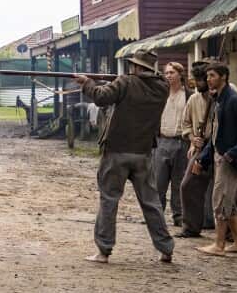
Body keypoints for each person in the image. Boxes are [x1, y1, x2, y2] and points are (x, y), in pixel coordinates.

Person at [73, 49, 174, 264]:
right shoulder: (163, 87)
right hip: (144, 152)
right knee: (151, 203)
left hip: (117, 151)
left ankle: (103, 250)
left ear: (137, 67)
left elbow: (101, 98)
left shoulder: (126, 82)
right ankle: (166, 249)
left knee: (109, 200)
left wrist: (87, 83)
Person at [194, 62, 237, 257]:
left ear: (223, 76)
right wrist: (204, 158)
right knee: (228, 200)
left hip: (228, 158)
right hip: (220, 154)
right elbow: (215, 135)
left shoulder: (234, 100)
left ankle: (219, 243)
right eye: (207, 76)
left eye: (212, 75)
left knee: (221, 199)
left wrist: (235, 152)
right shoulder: (220, 100)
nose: (208, 79)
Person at [176, 62, 214, 238]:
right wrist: (193, 138)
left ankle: (232, 232)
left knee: (227, 191)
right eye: (197, 79)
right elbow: (185, 124)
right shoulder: (193, 99)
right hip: (201, 146)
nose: (197, 83)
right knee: (187, 185)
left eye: (201, 79)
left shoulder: (222, 97)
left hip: (220, 147)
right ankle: (191, 226)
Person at [152, 62, 189, 226]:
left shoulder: (188, 95)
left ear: (180, 74)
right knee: (158, 181)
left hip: (181, 141)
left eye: (172, 72)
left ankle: (179, 215)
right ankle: (156, 215)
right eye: (166, 73)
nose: (168, 76)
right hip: (162, 140)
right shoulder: (160, 94)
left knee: (178, 181)